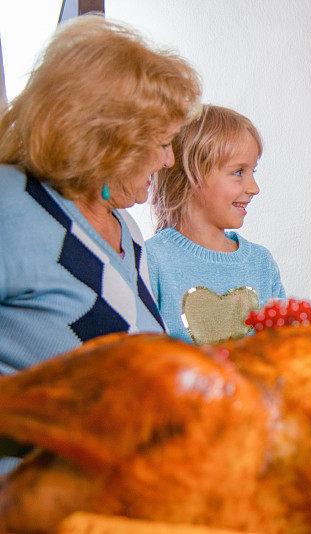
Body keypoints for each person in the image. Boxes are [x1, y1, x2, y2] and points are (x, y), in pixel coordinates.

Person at [0, 15, 201, 373]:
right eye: (163, 144)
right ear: (108, 142)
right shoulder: (12, 203)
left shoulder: (127, 231)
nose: (169, 161)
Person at [146, 105, 285, 344]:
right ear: (191, 175)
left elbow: (282, 349)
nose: (254, 188)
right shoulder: (152, 260)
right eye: (239, 172)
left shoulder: (262, 263)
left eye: (253, 171)